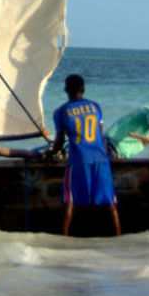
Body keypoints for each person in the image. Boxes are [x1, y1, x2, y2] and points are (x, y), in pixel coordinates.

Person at [50, 74, 121, 237]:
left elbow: (59, 142)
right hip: (101, 159)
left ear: (65, 89)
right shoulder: (95, 107)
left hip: (78, 161)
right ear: (83, 89)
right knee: (110, 202)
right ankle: (118, 237)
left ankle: (64, 238)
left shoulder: (61, 111)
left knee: (69, 200)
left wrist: (52, 152)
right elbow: (99, 134)